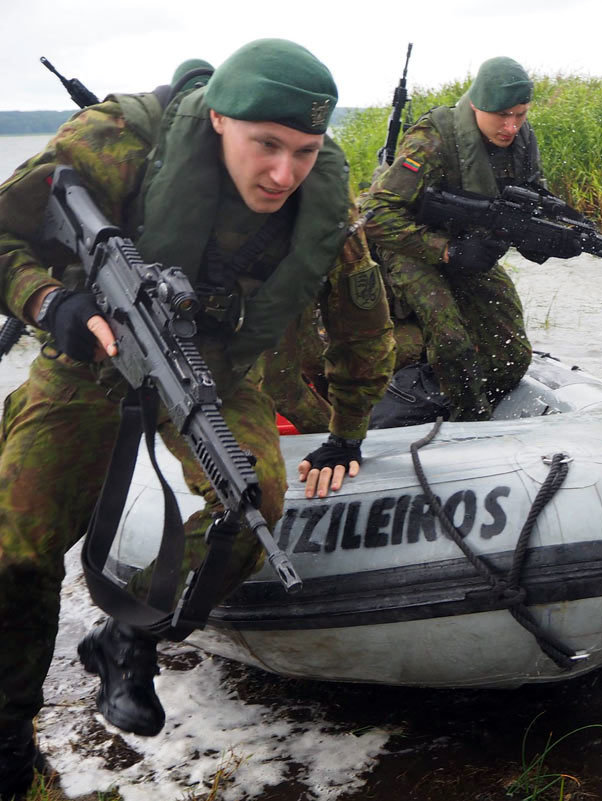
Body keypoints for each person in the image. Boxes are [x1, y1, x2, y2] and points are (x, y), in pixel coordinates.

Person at [0, 39, 394, 797]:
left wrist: (348, 429)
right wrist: (52, 303)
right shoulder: (119, 140)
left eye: (306, 151)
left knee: (251, 506)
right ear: (218, 119)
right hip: (90, 356)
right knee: (16, 547)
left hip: (208, 371)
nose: (285, 173)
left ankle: (127, 635)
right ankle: (11, 746)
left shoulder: (325, 204)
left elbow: (360, 326)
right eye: (266, 146)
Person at [360, 56, 550, 421]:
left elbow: (533, 196)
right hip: (408, 244)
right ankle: (467, 419)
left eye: (520, 115)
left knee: (512, 351)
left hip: (470, 247)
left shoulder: (523, 141)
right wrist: (446, 250)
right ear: (477, 105)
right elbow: (376, 213)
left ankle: (451, 398)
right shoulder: (433, 137)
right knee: (450, 339)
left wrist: (549, 236)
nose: (511, 127)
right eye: (502, 115)